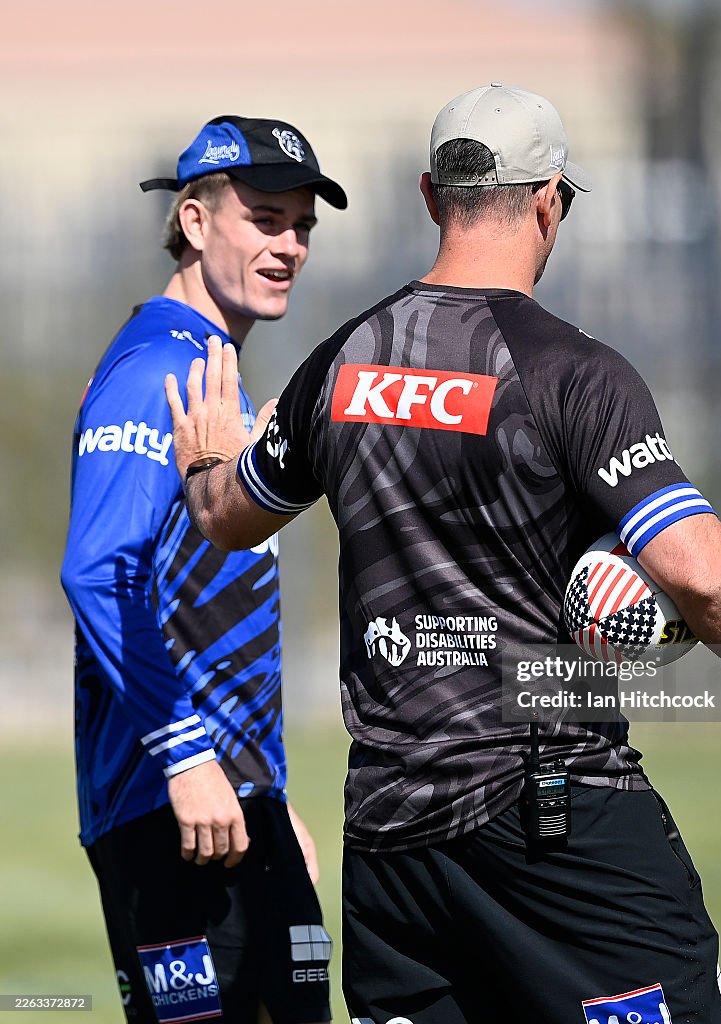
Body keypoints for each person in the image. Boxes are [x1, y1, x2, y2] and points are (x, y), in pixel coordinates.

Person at [164, 87, 721, 1024]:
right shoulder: (572, 373)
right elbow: (701, 570)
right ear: (550, 200)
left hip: (392, 845)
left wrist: (200, 462)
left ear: (434, 198)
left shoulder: (339, 362)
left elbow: (228, 517)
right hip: (550, 822)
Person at [60, 114, 347, 1024]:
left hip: (236, 803)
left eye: (302, 225)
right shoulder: (156, 372)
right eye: (265, 218)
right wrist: (187, 760)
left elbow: (211, 602)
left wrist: (268, 797)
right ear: (194, 220)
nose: (290, 245)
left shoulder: (213, 370)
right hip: (169, 807)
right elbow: (97, 574)